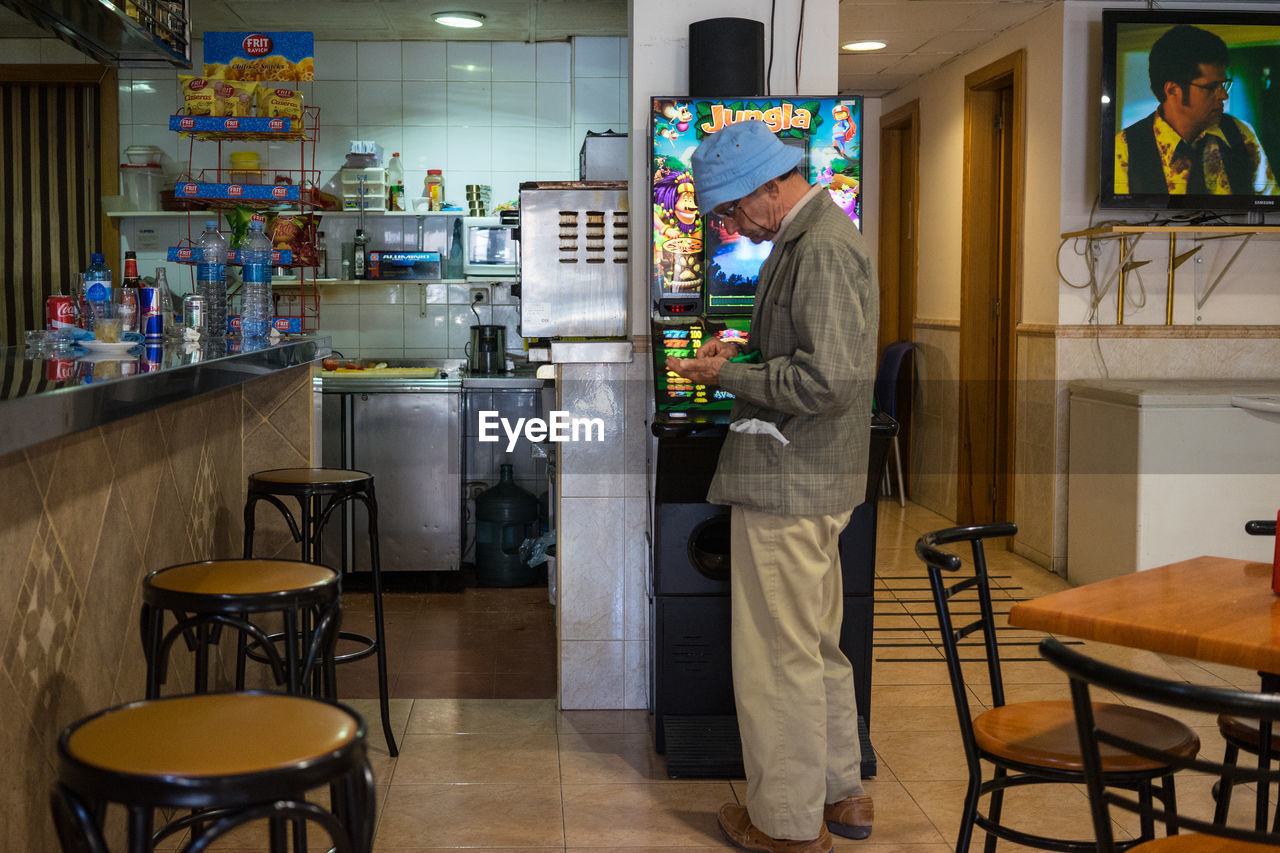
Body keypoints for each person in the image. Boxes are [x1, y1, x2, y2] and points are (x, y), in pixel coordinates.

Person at [665, 119, 878, 853]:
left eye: (728, 210)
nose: (729, 226)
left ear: (766, 186)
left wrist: (725, 374)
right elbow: (809, 348)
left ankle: (786, 824)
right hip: (809, 475)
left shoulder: (818, 245)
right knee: (816, 647)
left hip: (794, 479)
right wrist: (745, 350)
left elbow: (831, 380)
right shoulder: (807, 236)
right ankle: (841, 795)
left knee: (778, 659)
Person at [1115, 23, 1278, 195]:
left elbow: (1267, 206)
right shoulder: (1125, 150)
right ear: (1173, 91)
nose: (1224, 95)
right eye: (1212, 87)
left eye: (1223, 84)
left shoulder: (1240, 134)